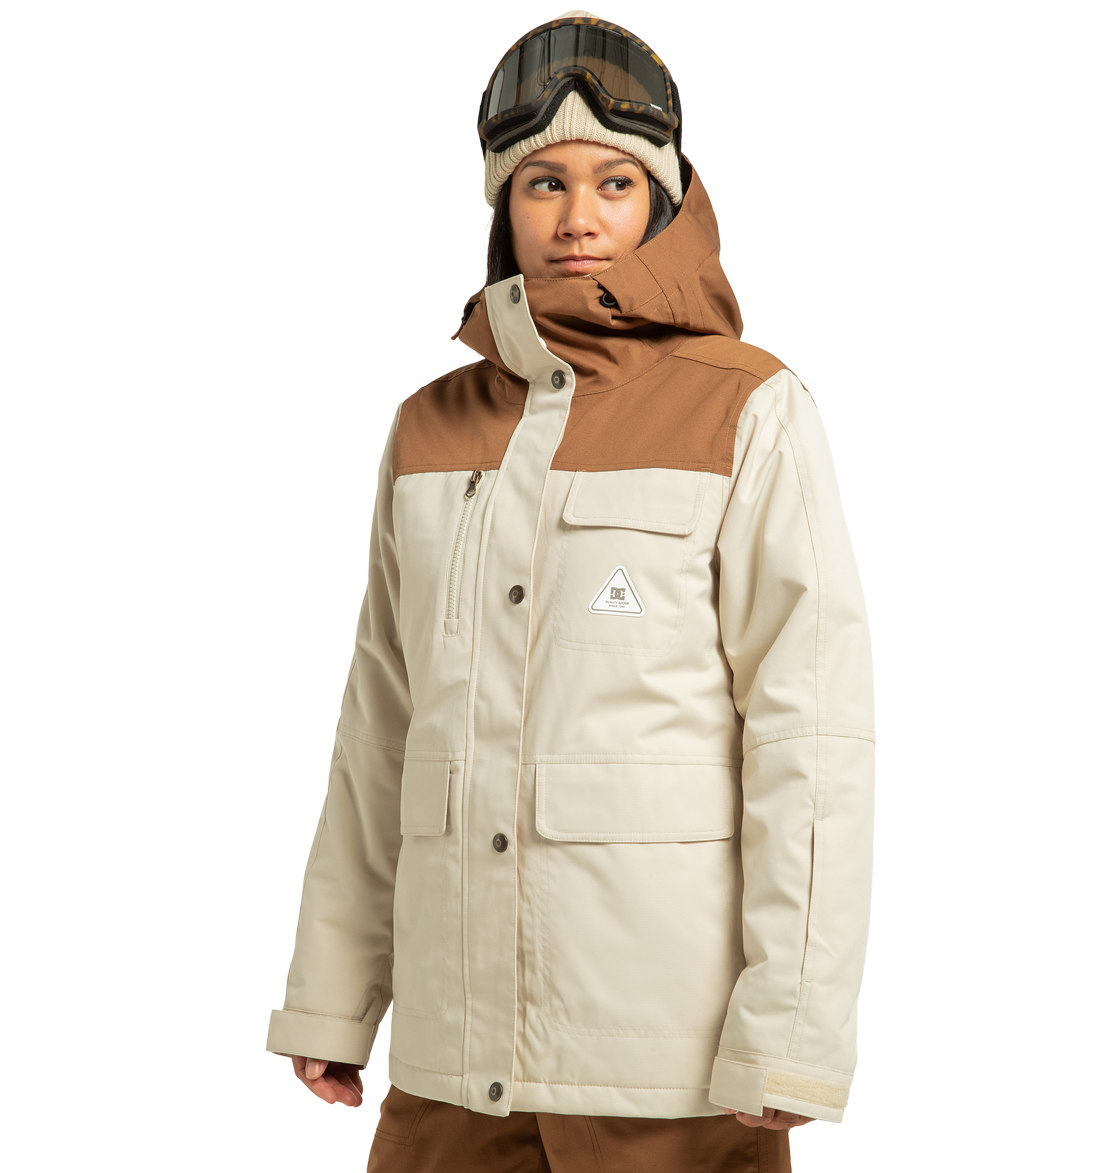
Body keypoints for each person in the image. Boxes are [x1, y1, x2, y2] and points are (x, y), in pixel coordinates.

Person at [266, 17, 874, 1172]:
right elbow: (379, 730)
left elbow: (810, 739)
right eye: (543, 183)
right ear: (503, 205)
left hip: (668, 1075)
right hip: (452, 1069)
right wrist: (332, 997)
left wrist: (790, 1032)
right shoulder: (430, 426)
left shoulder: (746, 407)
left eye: (614, 183)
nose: (577, 217)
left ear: (664, 202)